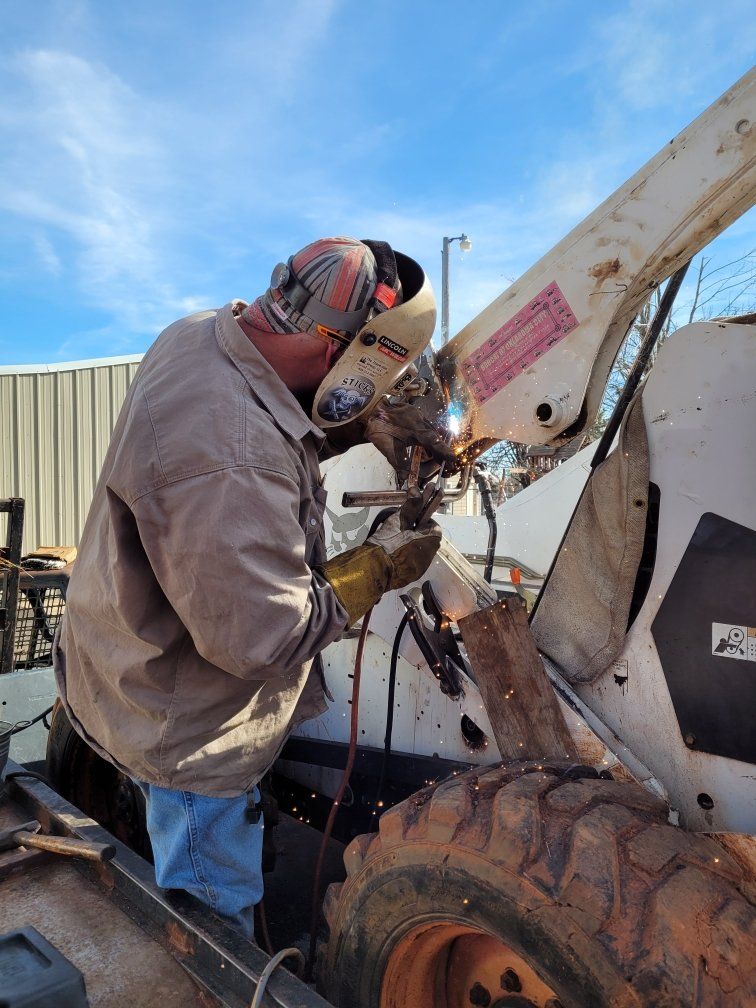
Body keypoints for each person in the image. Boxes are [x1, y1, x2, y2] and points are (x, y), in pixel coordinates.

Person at [53, 236, 452, 938]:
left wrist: (357, 420)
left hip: (123, 655)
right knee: (214, 918)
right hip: (188, 723)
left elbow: (270, 408)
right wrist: (378, 566)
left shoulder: (200, 334)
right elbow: (265, 639)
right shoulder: (233, 457)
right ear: (340, 358)